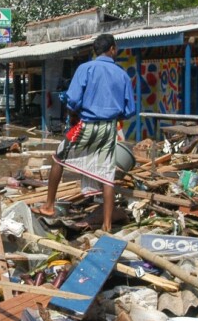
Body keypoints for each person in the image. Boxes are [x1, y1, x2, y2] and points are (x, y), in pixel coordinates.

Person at [37, 33, 136, 233]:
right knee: (107, 174)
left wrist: (77, 111)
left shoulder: (85, 68)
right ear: (113, 49)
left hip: (87, 124)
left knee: (58, 159)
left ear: (95, 51)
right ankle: (107, 225)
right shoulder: (122, 74)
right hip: (109, 128)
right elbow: (130, 110)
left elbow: (72, 100)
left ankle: (48, 206)